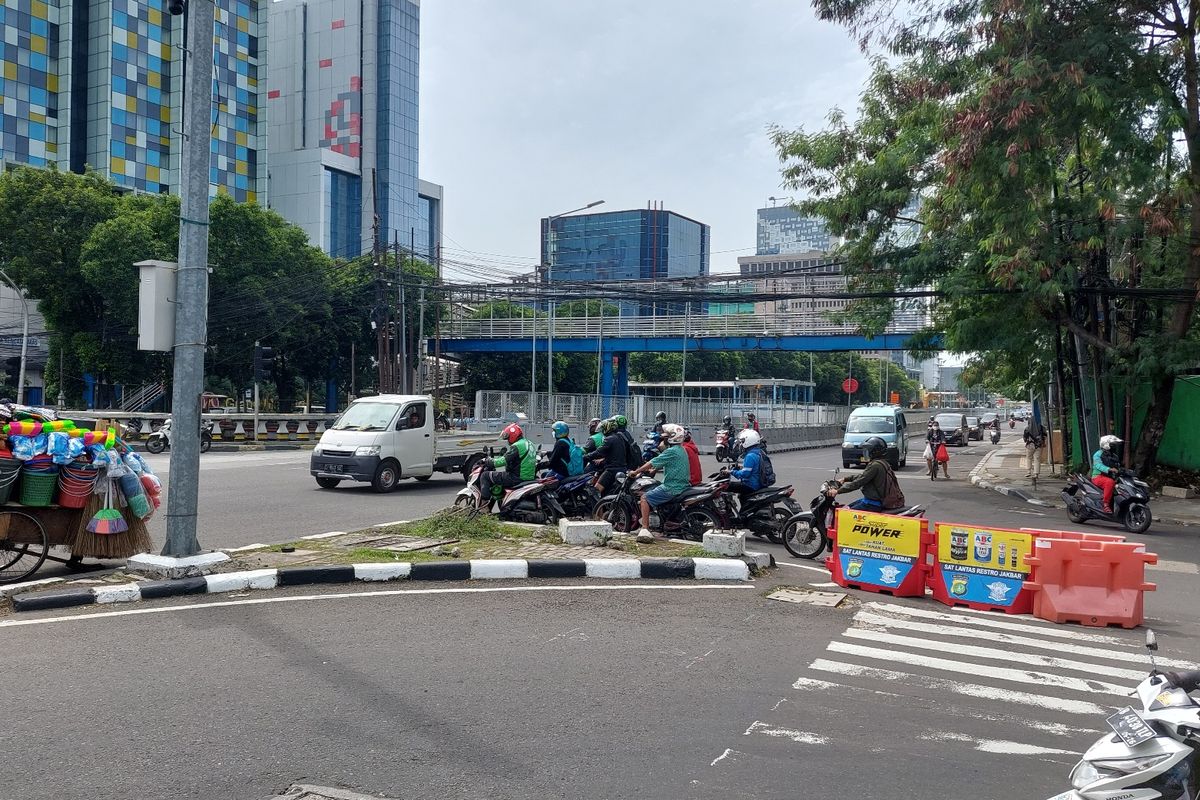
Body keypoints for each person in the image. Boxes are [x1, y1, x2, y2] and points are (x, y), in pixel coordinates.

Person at [628, 424, 691, 543]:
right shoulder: (681, 449)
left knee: (644, 498)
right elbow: (664, 463)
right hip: (682, 485)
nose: (664, 439)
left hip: (672, 487)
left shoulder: (672, 451)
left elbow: (653, 462)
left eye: (666, 437)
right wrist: (654, 470)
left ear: (672, 438)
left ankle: (645, 529)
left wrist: (636, 471)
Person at [832, 436, 904, 511]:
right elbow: (863, 476)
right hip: (872, 500)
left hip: (873, 504)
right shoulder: (882, 463)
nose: (865, 453)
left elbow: (859, 482)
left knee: (845, 515)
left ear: (874, 452)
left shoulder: (875, 465)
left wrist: (837, 491)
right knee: (847, 508)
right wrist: (845, 479)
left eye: (867, 450)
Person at [477, 423, 536, 512]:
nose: (508, 440)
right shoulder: (529, 443)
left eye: (508, 437)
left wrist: (488, 461)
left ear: (513, 435)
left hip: (516, 477)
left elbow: (503, 461)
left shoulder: (517, 446)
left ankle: (484, 507)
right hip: (529, 477)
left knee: (485, 475)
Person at [584, 418, 628, 495]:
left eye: (604, 428)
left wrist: (586, 457)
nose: (603, 431)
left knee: (595, 491)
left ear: (608, 428)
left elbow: (598, 452)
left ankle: (598, 507)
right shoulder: (620, 437)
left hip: (611, 470)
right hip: (622, 468)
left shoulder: (609, 439)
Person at [729, 429, 767, 507]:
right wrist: (740, 468)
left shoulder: (750, 456)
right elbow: (753, 468)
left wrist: (731, 472)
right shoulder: (758, 452)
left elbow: (745, 474)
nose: (741, 444)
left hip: (751, 485)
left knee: (727, 486)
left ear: (748, 441)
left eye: (742, 441)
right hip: (757, 482)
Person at [1091, 434, 1122, 513]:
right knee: (1110, 482)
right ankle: (1105, 504)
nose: (1114, 447)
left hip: (1111, 476)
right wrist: (1109, 469)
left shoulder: (1114, 456)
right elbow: (1098, 465)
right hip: (1098, 477)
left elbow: (1118, 466)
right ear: (1106, 445)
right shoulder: (1098, 454)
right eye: (1113, 445)